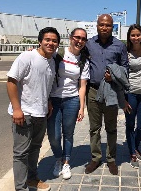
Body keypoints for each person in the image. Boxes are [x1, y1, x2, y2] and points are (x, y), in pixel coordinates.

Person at [7, 27, 60, 191]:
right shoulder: (27, 56)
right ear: (40, 41)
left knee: (35, 148)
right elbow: (11, 81)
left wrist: (49, 101)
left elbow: (45, 85)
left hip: (41, 113)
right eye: (47, 40)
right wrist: (17, 109)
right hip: (24, 113)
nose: (51, 43)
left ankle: (32, 179)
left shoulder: (52, 60)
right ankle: (21, 188)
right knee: (21, 153)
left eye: (54, 41)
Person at [84, 14, 129, 175]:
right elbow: (77, 57)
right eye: (102, 25)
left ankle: (111, 159)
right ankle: (96, 158)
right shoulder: (89, 44)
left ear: (112, 27)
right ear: (97, 25)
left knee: (111, 127)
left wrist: (114, 77)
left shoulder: (119, 45)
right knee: (94, 128)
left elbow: (125, 68)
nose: (104, 28)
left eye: (108, 25)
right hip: (93, 91)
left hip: (111, 90)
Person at [47, 28, 90, 180]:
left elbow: (82, 85)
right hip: (54, 100)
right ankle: (58, 158)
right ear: (71, 38)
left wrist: (82, 106)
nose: (79, 41)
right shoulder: (57, 53)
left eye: (83, 39)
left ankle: (66, 162)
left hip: (72, 100)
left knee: (68, 133)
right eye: (77, 37)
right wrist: (32, 50)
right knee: (53, 135)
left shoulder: (84, 61)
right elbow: (41, 56)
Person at [123, 24, 141, 169]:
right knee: (129, 124)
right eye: (132, 35)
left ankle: (135, 146)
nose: (135, 38)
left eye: (138, 35)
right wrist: (123, 98)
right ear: (129, 37)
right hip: (130, 93)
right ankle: (132, 152)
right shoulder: (125, 53)